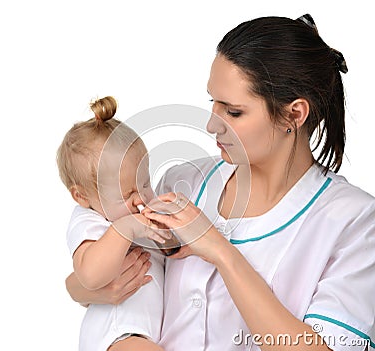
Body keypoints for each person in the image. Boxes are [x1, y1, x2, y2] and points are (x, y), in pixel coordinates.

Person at [65, 15, 375, 351]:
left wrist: (220, 252)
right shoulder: (180, 182)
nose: (212, 125)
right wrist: (82, 289)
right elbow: (97, 277)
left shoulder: (354, 221)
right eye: (212, 102)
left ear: (294, 115)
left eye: (234, 111)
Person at [57, 96, 168, 351]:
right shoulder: (89, 220)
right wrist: (126, 228)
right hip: (117, 335)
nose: (140, 198)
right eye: (127, 194)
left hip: (145, 335)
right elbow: (90, 275)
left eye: (145, 183)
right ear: (82, 196)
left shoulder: (138, 213)